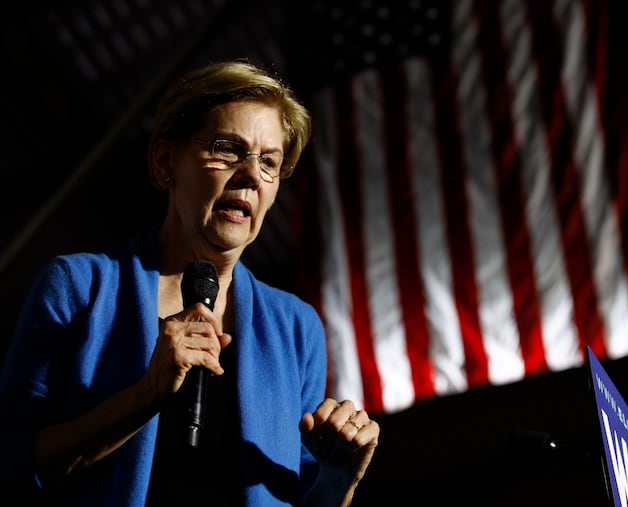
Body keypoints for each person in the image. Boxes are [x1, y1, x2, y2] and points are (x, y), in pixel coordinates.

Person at [0, 60, 379, 506]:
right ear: (165, 162)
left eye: (270, 162)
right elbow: (11, 465)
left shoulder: (296, 327)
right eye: (227, 148)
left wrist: (340, 480)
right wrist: (145, 396)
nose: (252, 175)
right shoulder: (77, 287)